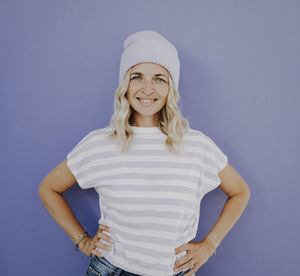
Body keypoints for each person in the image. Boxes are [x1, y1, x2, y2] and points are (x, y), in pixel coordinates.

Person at [38, 30, 251, 276]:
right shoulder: (101, 143)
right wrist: (83, 240)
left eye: (159, 78)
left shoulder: (196, 146)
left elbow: (240, 191)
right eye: (137, 77)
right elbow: (48, 188)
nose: (147, 88)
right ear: (125, 85)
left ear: (171, 87)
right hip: (112, 270)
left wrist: (210, 244)